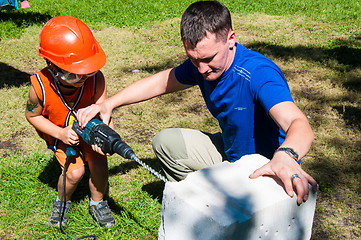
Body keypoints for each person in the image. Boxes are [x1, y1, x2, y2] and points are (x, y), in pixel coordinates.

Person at [77, 1, 318, 205]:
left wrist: (286, 155)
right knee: (165, 143)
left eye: (208, 58)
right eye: (193, 60)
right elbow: (161, 82)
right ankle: (205, 203)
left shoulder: (258, 73)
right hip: (232, 151)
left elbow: (299, 123)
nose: (201, 69)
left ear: (231, 38)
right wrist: (110, 104)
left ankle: (223, 200)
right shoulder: (201, 65)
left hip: (267, 167)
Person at [25, 16, 115, 227]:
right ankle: (62, 202)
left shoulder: (96, 79)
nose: (85, 78)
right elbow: (32, 115)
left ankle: (98, 203)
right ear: (53, 66)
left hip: (91, 131)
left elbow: (103, 113)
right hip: (62, 134)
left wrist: (109, 134)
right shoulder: (39, 87)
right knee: (75, 174)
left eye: (89, 71)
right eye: (77, 75)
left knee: (100, 166)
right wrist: (61, 134)